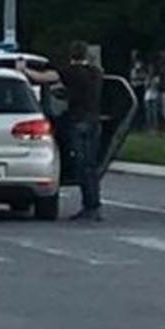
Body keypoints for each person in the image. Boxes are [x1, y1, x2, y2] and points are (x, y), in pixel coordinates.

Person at [19, 40, 104, 221]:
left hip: (78, 121)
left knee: (81, 165)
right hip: (94, 121)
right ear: (86, 55)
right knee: (90, 165)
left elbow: (42, 78)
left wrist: (24, 70)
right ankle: (93, 205)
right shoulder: (96, 73)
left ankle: (90, 206)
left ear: (71, 55)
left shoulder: (69, 72)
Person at [128, 51, 147, 130]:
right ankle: (134, 124)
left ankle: (140, 124)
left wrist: (138, 77)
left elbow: (143, 77)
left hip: (139, 88)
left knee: (140, 106)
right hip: (134, 88)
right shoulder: (132, 67)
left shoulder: (140, 67)